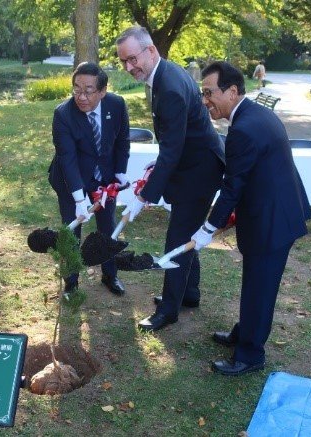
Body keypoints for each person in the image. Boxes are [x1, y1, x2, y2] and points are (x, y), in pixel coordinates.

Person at [192, 62, 311, 376]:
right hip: (276, 212)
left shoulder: (243, 129)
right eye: (203, 92)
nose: (205, 100)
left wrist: (208, 229)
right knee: (255, 284)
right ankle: (244, 332)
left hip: (272, 221)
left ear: (232, 91)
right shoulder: (255, 114)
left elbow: (232, 187)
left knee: (260, 289)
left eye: (209, 92)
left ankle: (250, 355)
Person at [116, 26, 225, 331]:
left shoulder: (171, 87)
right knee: (187, 231)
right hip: (193, 164)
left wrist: (143, 196)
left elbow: (173, 151)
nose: (129, 67)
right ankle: (189, 294)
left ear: (150, 50)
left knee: (177, 238)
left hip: (199, 172)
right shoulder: (163, 75)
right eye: (123, 61)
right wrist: (160, 161)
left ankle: (169, 310)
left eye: (132, 58)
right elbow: (174, 142)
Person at [48, 62, 130, 295]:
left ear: (102, 91)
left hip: (104, 180)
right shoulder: (63, 114)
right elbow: (67, 158)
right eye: (76, 89)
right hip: (70, 180)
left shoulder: (117, 104)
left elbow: (122, 140)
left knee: (108, 228)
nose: (81, 96)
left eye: (88, 90)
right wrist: (78, 198)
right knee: (72, 231)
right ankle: (71, 282)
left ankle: (110, 275)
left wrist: (120, 172)